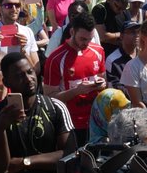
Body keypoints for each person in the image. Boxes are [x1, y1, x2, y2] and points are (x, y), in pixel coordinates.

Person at [43, 11, 106, 142]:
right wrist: (77, 91)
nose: (87, 43)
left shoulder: (98, 51)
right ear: (72, 32)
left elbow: (103, 80)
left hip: (96, 120)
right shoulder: (56, 58)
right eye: (83, 39)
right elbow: (49, 98)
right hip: (70, 124)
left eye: (90, 39)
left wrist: (101, 85)